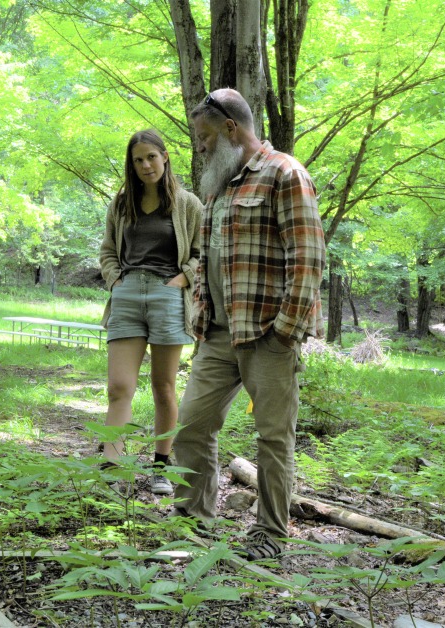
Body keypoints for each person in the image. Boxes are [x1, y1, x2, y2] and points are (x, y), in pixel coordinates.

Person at [172, 89, 326, 560]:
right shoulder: (218, 186)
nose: (199, 146)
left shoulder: (284, 173)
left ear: (230, 129)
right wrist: (200, 313)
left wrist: (285, 329)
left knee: (273, 437)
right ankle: (192, 523)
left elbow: (309, 258)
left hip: (267, 336)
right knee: (192, 427)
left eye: (203, 137)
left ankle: (270, 537)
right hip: (217, 336)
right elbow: (206, 259)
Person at [99, 129, 203, 495]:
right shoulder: (122, 202)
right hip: (127, 296)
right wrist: (116, 281)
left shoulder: (187, 203)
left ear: (165, 157)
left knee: (163, 387)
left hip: (167, 297)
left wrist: (182, 279)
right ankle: (112, 466)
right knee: (119, 387)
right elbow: (108, 249)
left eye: (152, 157)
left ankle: (161, 466)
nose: (146, 165)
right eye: (138, 160)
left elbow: (203, 251)